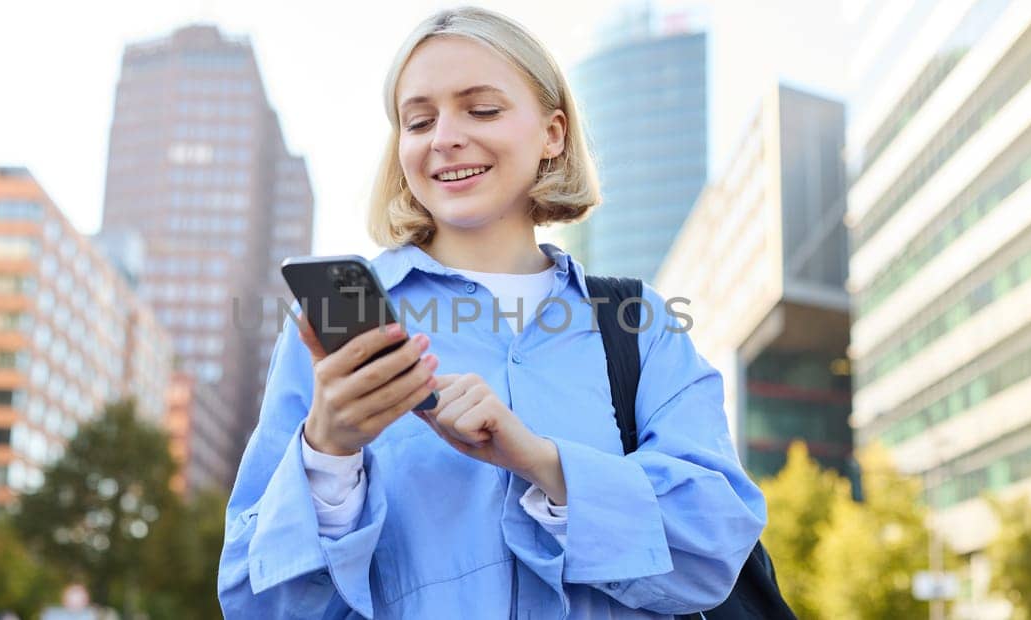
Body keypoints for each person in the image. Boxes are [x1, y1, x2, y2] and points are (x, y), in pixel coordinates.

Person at [218, 7, 766, 618]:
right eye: (418, 120)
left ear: (553, 133)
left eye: (482, 110)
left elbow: (716, 545)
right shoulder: (331, 336)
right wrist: (327, 456)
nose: (444, 137)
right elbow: (260, 602)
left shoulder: (640, 323)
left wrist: (539, 462)